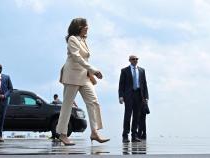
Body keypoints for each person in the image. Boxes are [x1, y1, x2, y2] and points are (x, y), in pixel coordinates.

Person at [56, 17, 110, 145]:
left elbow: (85, 59)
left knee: (94, 101)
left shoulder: (83, 40)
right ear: (79, 27)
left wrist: (90, 72)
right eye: (85, 26)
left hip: (84, 76)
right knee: (67, 106)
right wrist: (94, 70)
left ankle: (94, 132)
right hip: (72, 76)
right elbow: (76, 57)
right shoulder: (72, 39)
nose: (87, 28)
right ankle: (63, 134)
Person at [118, 55, 149, 143]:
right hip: (128, 95)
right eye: (133, 59)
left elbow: (144, 84)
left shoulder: (142, 70)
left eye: (136, 59)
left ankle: (134, 136)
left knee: (136, 116)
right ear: (129, 60)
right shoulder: (124, 71)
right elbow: (121, 84)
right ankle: (125, 136)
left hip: (139, 95)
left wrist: (146, 97)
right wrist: (120, 96)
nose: (135, 60)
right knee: (127, 116)